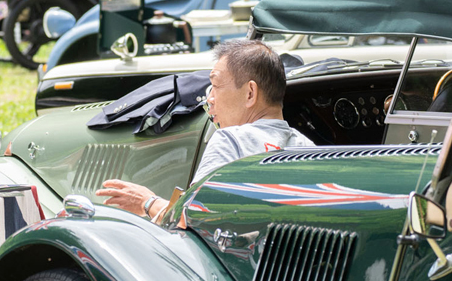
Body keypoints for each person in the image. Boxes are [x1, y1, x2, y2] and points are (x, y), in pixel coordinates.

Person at [97, 39, 313, 225]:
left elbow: (191, 220)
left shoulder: (230, 140)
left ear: (250, 93)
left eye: (216, 86)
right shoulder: (309, 149)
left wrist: (147, 202)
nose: (209, 99)